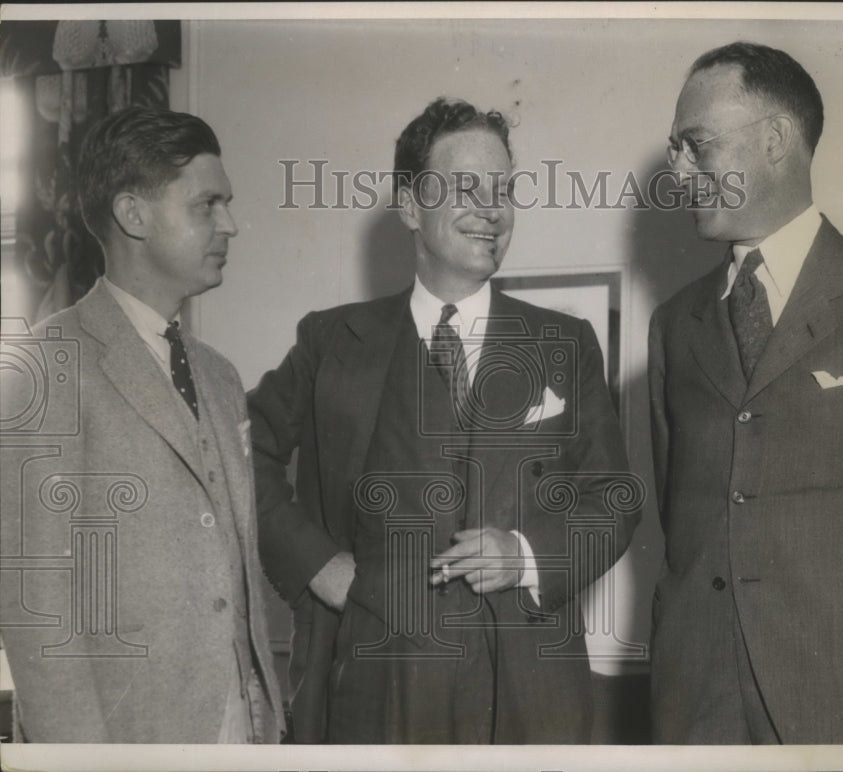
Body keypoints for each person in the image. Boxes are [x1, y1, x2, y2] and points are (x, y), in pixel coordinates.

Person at [248, 97, 640, 744]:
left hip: (530, 702)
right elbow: (237, 452)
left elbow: (616, 499)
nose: (493, 209)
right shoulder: (331, 342)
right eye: (467, 187)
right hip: (378, 692)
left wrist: (526, 554)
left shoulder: (565, 345)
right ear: (409, 206)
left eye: (505, 189)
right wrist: (315, 562)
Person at [647, 42, 843, 744]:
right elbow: (682, 518)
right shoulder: (673, 325)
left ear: (774, 140)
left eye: (694, 144)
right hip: (693, 702)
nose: (677, 171)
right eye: (674, 150)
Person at [0, 107, 284, 743]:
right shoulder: (47, 368)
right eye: (207, 205)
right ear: (134, 215)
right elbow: (39, 616)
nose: (230, 225)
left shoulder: (219, 376)